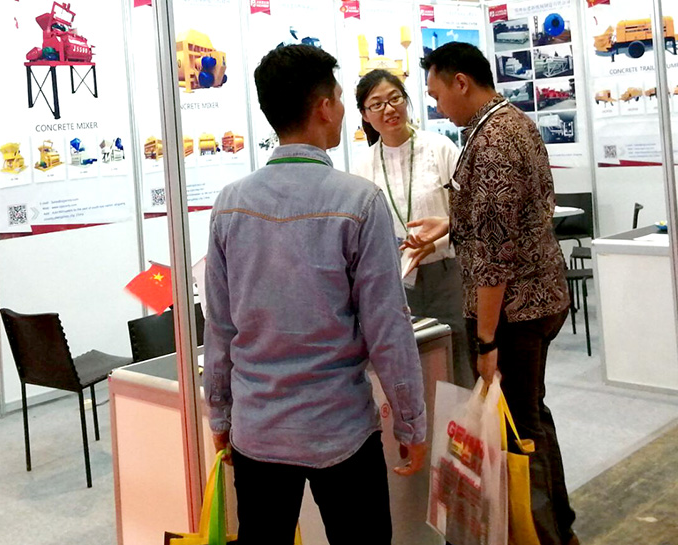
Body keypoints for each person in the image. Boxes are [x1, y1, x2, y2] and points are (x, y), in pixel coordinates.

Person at [203, 45, 428, 545]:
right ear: (324, 107)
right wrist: (410, 421)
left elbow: (219, 325)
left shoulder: (230, 204)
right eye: (341, 98)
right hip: (341, 428)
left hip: (258, 429)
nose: (345, 109)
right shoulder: (359, 201)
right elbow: (388, 328)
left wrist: (219, 411)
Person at [404, 42, 577, 545]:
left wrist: (485, 341)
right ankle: (559, 526)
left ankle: (544, 535)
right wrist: (449, 224)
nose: (437, 105)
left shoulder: (494, 140)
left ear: (461, 82)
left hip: (516, 311)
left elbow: (496, 255)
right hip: (536, 298)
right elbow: (504, 215)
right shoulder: (507, 123)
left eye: (437, 94)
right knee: (531, 417)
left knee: (520, 432)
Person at [353, 69, 476, 389]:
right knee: (412, 364)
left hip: (448, 273)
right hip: (395, 280)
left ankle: (464, 421)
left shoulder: (440, 148)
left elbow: (470, 213)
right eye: (377, 104)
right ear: (365, 115)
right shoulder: (364, 166)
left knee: (458, 359)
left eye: (395, 98)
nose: (389, 109)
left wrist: (436, 244)